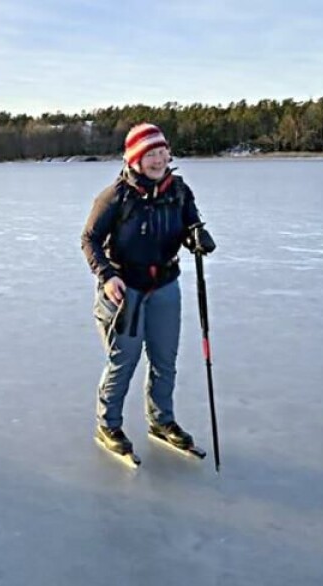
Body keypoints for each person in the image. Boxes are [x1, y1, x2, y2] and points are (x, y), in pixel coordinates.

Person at [80, 122, 216, 457]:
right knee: (123, 360)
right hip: (125, 291)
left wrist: (196, 238)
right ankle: (108, 424)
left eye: (161, 152)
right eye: (149, 154)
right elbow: (90, 240)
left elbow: (190, 224)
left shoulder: (179, 190)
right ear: (134, 159)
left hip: (165, 286)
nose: (158, 160)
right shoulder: (116, 196)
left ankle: (161, 421)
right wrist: (107, 276)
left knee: (164, 359)